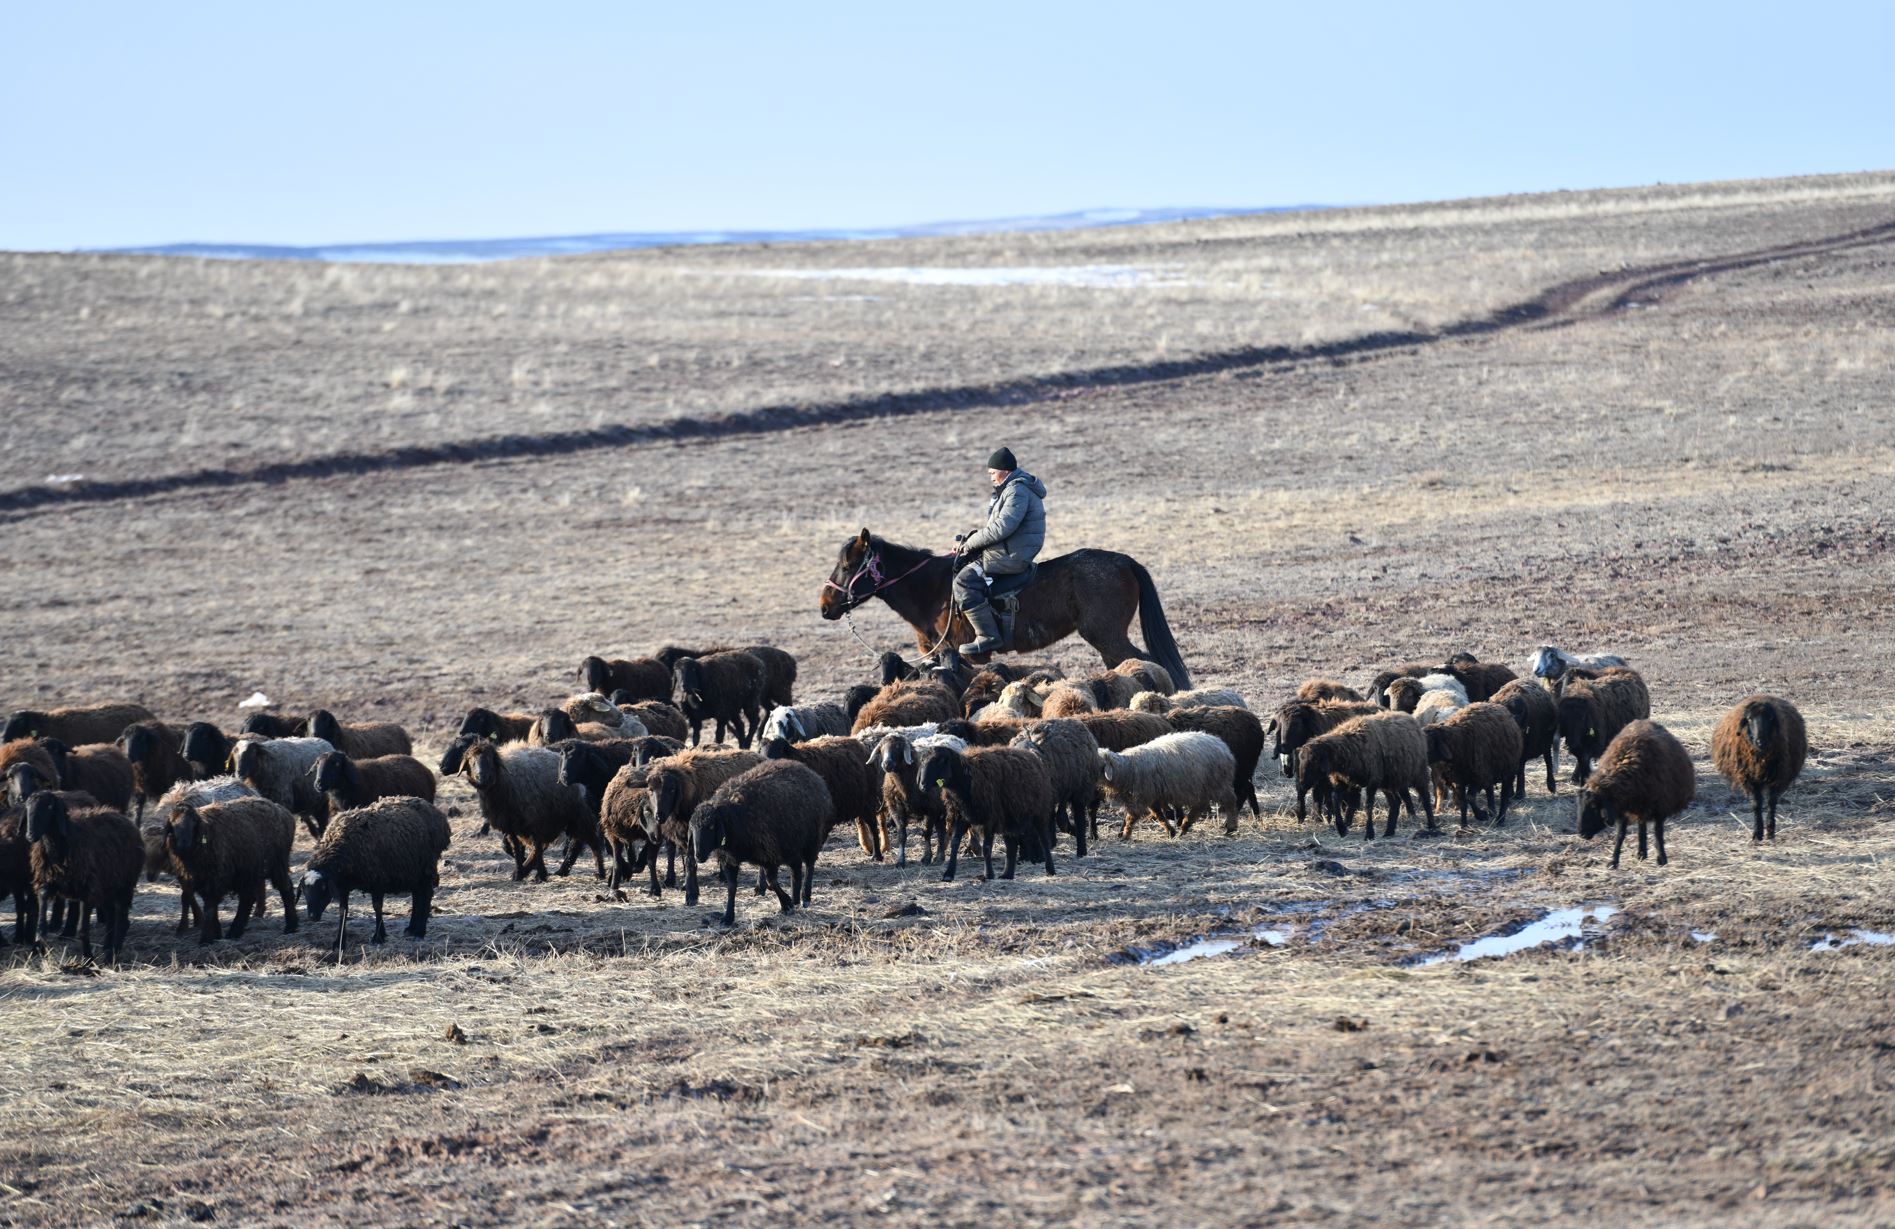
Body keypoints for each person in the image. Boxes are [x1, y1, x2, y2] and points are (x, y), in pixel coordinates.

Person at [951, 447, 1047, 654]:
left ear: (1005, 470)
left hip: (1010, 555)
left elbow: (1002, 527)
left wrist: (969, 544)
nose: (991, 477)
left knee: (963, 582)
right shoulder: (1012, 488)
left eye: (993, 472)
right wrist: (970, 542)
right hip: (1008, 549)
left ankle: (988, 636)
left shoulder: (1017, 491)